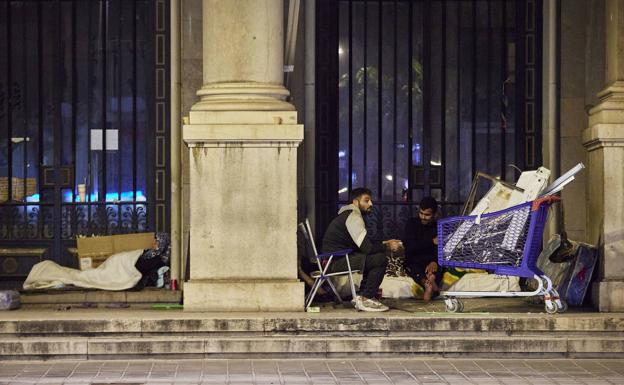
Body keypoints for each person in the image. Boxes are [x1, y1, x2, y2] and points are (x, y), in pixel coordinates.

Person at [322, 187, 402, 312]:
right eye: (366, 200)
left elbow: (363, 244)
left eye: (370, 200)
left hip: (337, 259)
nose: (370, 204)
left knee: (374, 258)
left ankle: (363, 295)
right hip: (335, 262)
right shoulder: (353, 217)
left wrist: (384, 243)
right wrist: (388, 246)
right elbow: (367, 249)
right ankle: (366, 297)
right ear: (355, 202)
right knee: (379, 259)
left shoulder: (349, 215)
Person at [403, 196, 441, 301]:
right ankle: (427, 283)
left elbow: (442, 249)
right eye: (421, 213)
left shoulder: (439, 226)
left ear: (434, 214)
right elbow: (410, 246)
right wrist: (431, 241)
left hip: (430, 261)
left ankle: (431, 281)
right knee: (414, 268)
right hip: (414, 259)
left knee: (439, 266)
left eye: (427, 215)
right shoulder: (411, 224)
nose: (423, 217)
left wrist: (435, 261)